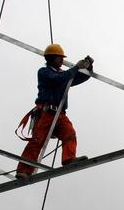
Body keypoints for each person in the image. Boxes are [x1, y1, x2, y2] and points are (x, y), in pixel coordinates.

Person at [15, 44, 94, 179]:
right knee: (37, 141)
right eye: (59, 58)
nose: (62, 60)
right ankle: (24, 170)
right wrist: (76, 67)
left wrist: (88, 68)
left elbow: (80, 78)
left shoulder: (63, 75)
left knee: (69, 134)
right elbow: (57, 78)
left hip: (60, 114)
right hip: (46, 112)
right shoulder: (44, 72)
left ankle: (69, 159)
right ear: (51, 58)